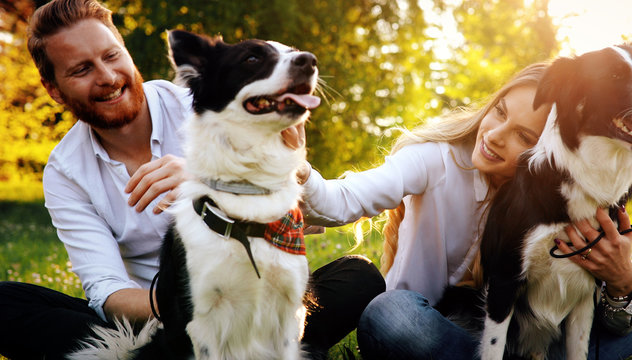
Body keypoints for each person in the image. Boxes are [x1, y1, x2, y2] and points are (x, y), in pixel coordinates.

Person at [0, 0, 384, 359]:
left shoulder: (211, 103)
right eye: (82, 69)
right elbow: (108, 291)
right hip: (155, 312)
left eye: (111, 55)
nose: (107, 76)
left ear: (125, 51)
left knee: (359, 276)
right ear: (54, 90)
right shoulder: (66, 171)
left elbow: (300, 217)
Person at [299, 62, 632, 359]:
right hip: (429, 330)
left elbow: (602, 310)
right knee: (391, 313)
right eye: (499, 112)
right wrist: (297, 171)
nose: (496, 136)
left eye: (524, 136)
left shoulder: (565, 196)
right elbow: (343, 200)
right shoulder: (435, 160)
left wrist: (621, 280)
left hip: (524, 339)